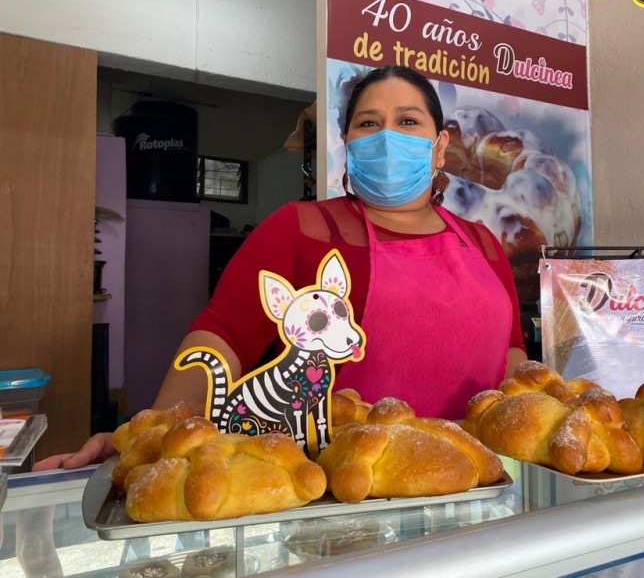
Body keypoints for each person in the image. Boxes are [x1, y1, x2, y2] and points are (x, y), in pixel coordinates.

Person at [34, 65, 526, 471]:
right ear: (349, 144)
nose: (387, 137)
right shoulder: (301, 228)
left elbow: (512, 367)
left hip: (482, 483)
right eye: (369, 124)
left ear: (439, 146)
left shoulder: (483, 245)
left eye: (408, 122)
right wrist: (151, 440)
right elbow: (220, 337)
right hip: (344, 494)